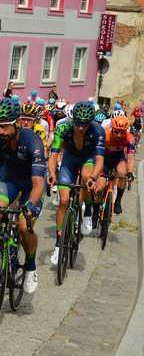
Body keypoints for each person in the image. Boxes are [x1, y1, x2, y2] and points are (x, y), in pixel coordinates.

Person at [0, 98, 45, 294]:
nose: (1, 132)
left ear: (18, 123)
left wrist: (29, 205)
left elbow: (39, 183)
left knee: (23, 226)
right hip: (9, 178)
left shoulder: (33, 141)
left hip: (31, 182)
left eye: (5, 126)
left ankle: (30, 266)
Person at [48, 101, 105, 265]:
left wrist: (94, 178)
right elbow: (53, 154)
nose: (80, 128)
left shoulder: (98, 130)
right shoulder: (63, 128)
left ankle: (86, 212)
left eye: (84, 124)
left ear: (91, 122)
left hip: (88, 158)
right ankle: (59, 244)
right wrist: (52, 173)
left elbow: (100, 160)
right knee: (64, 200)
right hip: (70, 160)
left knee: (87, 177)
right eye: (78, 124)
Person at [98, 116, 135, 216]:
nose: (119, 135)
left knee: (123, 174)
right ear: (112, 128)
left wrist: (130, 172)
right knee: (99, 187)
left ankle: (118, 201)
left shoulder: (129, 138)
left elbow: (131, 157)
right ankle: (95, 210)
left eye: (122, 132)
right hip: (104, 159)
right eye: (116, 131)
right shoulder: (105, 134)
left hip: (118, 158)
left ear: (126, 131)